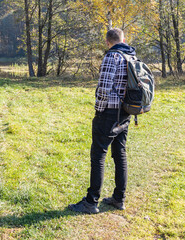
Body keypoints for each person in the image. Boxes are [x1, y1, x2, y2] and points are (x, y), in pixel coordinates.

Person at [68, 28, 136, 213]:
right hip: (126, 112)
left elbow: (104, 88)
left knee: (98, 155)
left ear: (107, 42)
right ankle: (118, 199)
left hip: (109, 113)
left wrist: (98, 111)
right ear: (123, 39)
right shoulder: (132, 57)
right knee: (120, 153)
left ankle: (91, 202)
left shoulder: (111, 57)